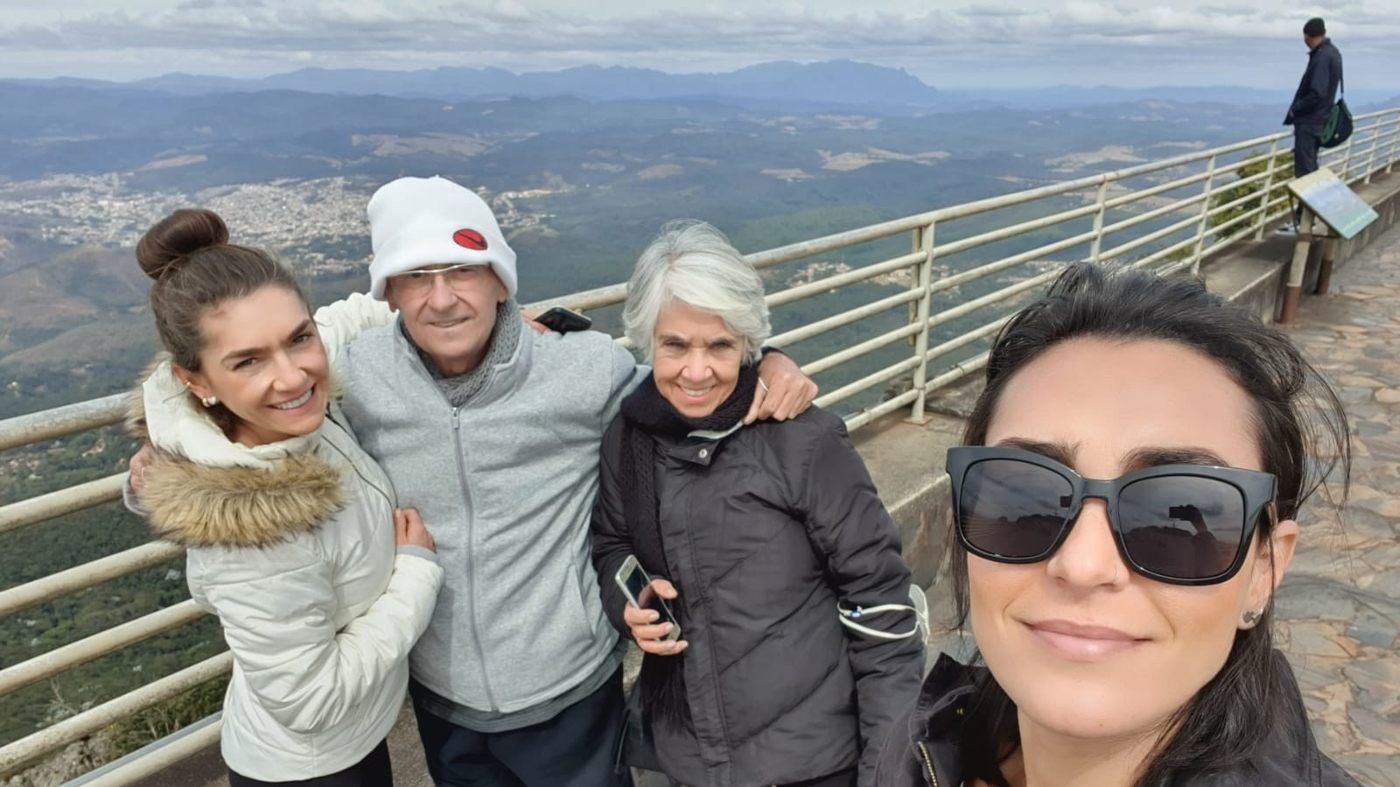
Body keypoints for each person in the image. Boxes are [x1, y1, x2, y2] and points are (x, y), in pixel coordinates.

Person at [332, 177, 819, 787]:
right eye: (416, 276)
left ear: (499, 279)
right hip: (440, 696)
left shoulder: (580, 368)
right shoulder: (356, 376)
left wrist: (765, 360)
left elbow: (688, 388)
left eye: (462, 270)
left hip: (570, 693)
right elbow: (254, 398)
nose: (442, 298)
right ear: (389, 291)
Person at [875, 263, 1358, 787]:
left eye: (1172, 520)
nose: (1083, 566)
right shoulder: (924, 746)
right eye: (1028, 496)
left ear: (1264, 570)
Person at [590, 220, 925, 787]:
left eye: (719, 345)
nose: (697, 371)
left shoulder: (804, 441)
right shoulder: (629, 437)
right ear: (649, 342)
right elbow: (612, 542)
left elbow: (882, 610)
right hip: (688, 758)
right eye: (675, 345)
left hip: (813, 763)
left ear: (748, 343)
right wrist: (626, 597)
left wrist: (885, 774)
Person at [125, 208, 445, 786]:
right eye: (248, 360)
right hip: (313, 769)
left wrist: (489, 319)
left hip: (353, 739)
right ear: (194, 382)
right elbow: (309, 702)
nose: (294, 376)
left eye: (300, 338)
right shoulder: (253, 536)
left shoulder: (278, 423)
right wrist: (416, 575)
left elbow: (348, 316)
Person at [1284, 17, 1343, 183]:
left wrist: (1296, 108)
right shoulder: (1333, 53)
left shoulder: (1322, 57)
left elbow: (1317, 93)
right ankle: (1306, 207)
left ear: (1307, 36)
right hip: (1322, 118)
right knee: (1310, 166)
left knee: (1305, 170)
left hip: (1311, 122)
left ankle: (1307, 208)